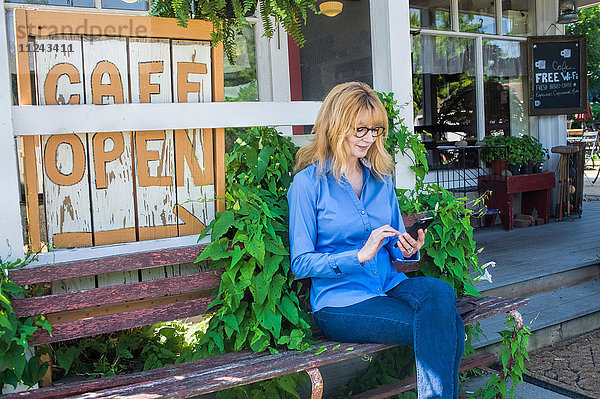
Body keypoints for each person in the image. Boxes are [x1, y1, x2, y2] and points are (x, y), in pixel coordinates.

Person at [287, 82, 465, 399]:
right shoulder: (307, 185)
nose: (370, 139)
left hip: (389, 285)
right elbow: (301, 263)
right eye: (361, 130)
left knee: (439, 290)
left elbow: (396, 242)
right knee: (449, 327)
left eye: (376, 131)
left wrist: (409, 248)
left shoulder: (381, 179)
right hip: (340, 303)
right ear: (337, 126)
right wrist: (358, 255)